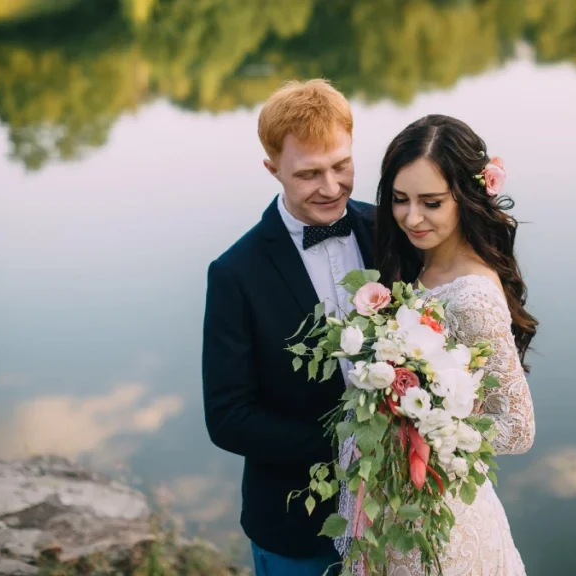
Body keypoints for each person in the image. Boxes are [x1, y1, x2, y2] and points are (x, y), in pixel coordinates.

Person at [201, 78, 375, 576]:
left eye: (342, 166)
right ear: (272, 168)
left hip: (397, 513)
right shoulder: (235, 273)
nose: (331, 186)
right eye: (308, 174)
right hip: (296, 526)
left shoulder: (389, 231)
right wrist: (349, 447)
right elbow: (228, 416)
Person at [357, 113, 538, 575]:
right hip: (405, 502)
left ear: (466, 197)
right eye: (400, 200)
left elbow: (517, 428)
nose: (411, 218)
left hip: (446, 515)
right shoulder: (420, 266)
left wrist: (427, 428)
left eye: (431, 203)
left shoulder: (473, 296)